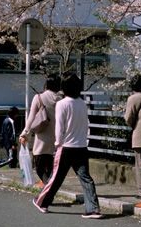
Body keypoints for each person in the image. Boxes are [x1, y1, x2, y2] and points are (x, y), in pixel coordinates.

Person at [32, 73, 103, 218]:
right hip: (81, 147)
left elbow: (60, 126)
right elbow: (85, 125)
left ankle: (42, 203)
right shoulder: (82, 103)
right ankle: (93, 209)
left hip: (65, 147)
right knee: (86, 178)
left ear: (63, 88)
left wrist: (58, 143)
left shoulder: (62, 104)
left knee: (55, 178)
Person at [19, 75, 62, 184]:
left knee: (40, 168)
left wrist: (24, 135)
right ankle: (49, 188)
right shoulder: (61, 100)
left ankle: (47, 190)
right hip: (57, 141)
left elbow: (31, 118)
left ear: (46, 85)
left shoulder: (39, 98)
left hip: (42, 141)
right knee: (52, 169)